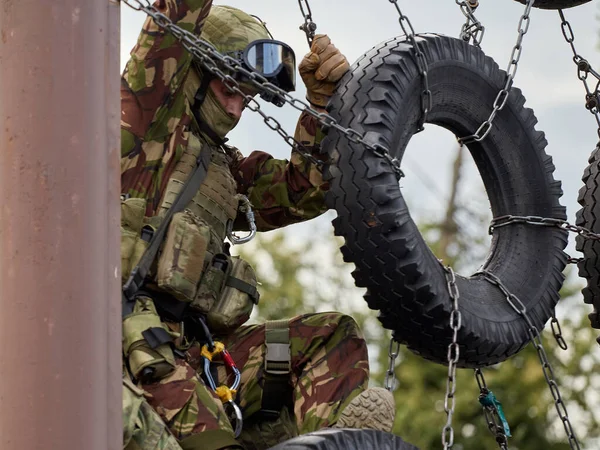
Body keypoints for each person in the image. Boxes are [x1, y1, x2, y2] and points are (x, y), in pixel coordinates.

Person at [120, 1, 395, 449]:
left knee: (329, 339)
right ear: (192, 70)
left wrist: (322, 105)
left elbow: (303, 190)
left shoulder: (224, 170)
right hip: (129, 352)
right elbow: (174, 21)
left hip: (198, 355)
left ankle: (341, 441)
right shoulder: (143, 126)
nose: (237, 106)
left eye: (246, 94)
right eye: (229, 85)